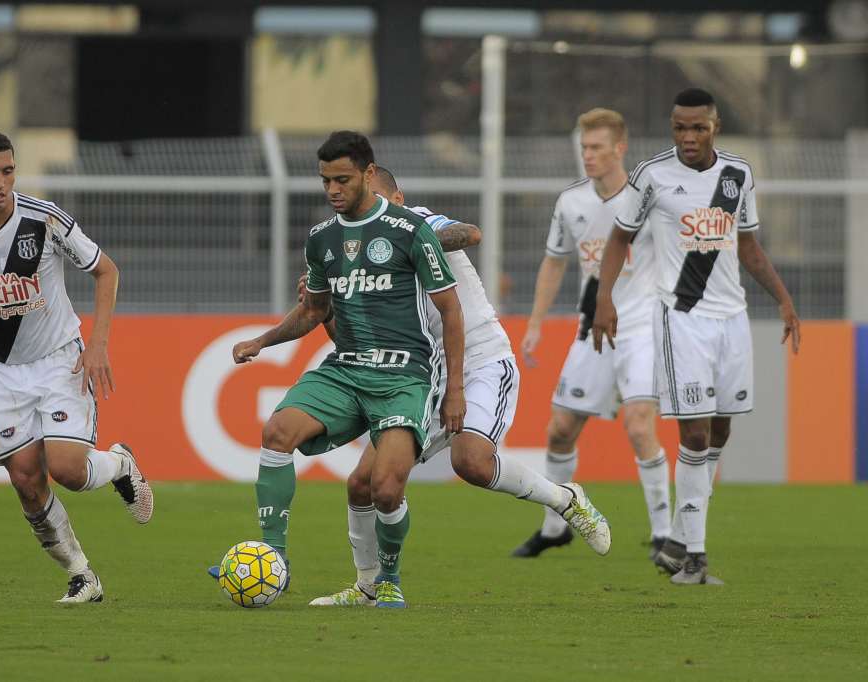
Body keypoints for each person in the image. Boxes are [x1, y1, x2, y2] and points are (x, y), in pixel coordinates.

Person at [308, 166, 612, 607]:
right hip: (422, 376)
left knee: (470, 461)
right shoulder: (356, 260)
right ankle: (368, 587)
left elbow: (470, 233)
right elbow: (356, 345)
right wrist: (324, 313)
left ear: (397, 198)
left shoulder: (419, 222)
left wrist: (408, 238)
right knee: (364, 483)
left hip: (483, 361)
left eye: (375, 200)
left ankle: (565, 499)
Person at [228, 131, 467, 609]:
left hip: (403, 376)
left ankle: (388, 580)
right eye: (325, 181)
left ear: (368, 174)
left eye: (342, 179)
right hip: (346, 369)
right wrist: (262, 340)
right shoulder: (322, 239)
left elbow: (452, 311)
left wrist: (454, 390)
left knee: (383, 487)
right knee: (277, 431)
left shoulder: (408, 230)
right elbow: (314, 311)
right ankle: (274, 558)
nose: (333, 190)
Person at [0, 130, 153, 603]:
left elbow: (106, 270)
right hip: (4, 371)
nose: (0, 183)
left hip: (60, 360)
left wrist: (96, 343)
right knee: (27, 483)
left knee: (69, 471)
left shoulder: (44, 219)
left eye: (8, 171)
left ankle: (118, 463)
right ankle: (82, 576)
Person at [593, 89, 800, 584]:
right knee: (696, 434)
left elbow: (747, 245)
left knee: (721, 433)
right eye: (679, 128)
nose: (687, 137)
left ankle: (681, 539)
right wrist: (603, 301)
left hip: (732, 320)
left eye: (697, 128)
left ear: (715, 127)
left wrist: (784, 298)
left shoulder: (738, 175)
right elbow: (620, 237)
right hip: (680, 317)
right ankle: (694, 558)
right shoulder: (652, 175)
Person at [512, 109, 670, 561]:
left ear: (620, 148)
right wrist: (537, 324)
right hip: (592, 329)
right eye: (584, 147)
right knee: (559, 430)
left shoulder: (649, 200)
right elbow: (554, 262)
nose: (589, 155)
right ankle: (555, 526)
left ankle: (664, 535)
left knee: (639, 426)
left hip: (642, 326)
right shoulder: (571, 202)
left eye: (597, 147)